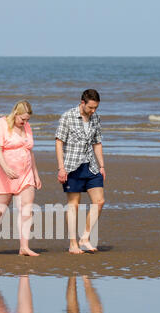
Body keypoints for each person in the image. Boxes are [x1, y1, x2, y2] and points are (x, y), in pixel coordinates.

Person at [0, 101, 42, 256]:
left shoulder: (27, 127)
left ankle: (24, 247)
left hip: (25, 173)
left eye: (28, 120)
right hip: (3, 173)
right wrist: (6, 168)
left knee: (27, 209)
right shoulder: (1, 124)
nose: (25, 123)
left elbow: (30, 151)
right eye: (23, 119)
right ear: (15, 113)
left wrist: (35, 174)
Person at [55, 89, 106, 254]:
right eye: (91, 107)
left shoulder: (95, 118)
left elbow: (97, 143)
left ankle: (85, 238)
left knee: (99, 202)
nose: (93, 111)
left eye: (96, 108)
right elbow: (59, 143)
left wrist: (102, 166)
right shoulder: (67, 116)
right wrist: (61, 168)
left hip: (91, 166)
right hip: (72, 166)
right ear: (82, 102)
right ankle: (73, 244)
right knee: (74, 205)